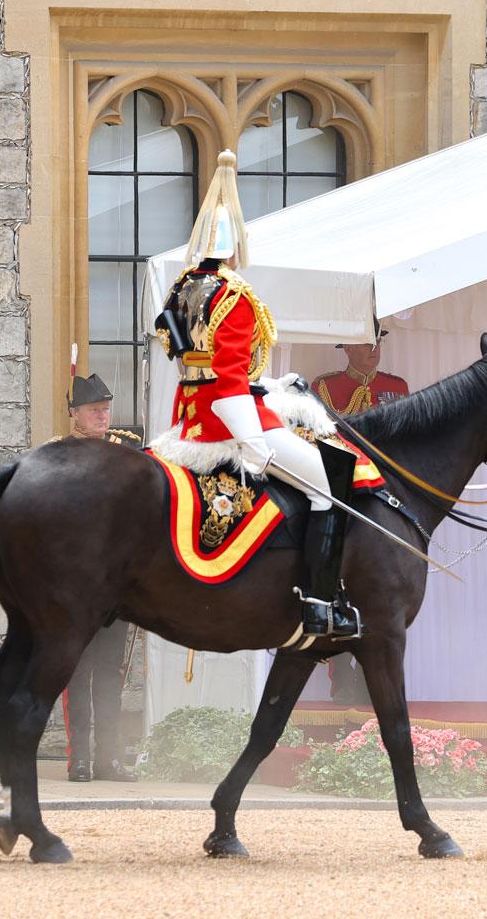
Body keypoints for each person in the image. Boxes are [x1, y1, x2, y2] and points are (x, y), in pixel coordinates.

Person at [153, 149, 359, 641]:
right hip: (231, 422)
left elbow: (196, 365)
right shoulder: (234, 296)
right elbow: (226, 380)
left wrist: (267, 387)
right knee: (326, 486)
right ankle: (317, 604)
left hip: (190, 418)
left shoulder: (181, 290)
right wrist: (252, 441)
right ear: (235, 246)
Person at [313, 330, 409, 705]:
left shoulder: (396, 387)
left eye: (377, 343)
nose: (374, 350)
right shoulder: (327, 387)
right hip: (344, 496)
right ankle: (342, 675)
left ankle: (379, 671)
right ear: (347, 347)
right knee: (340, 585)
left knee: (385, 587)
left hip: (384, 497)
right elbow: (325, 440)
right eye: (365, 344)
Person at [58, 371, 140, 782]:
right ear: (74, 414)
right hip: (76, 586)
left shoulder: (128, 449)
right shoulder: (57, 456)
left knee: (111, 674)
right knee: (78, 672)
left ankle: (109, 758)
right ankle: (80, 759)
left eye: (106, 409)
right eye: (94, 410)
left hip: (116, 584)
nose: (103, 416)